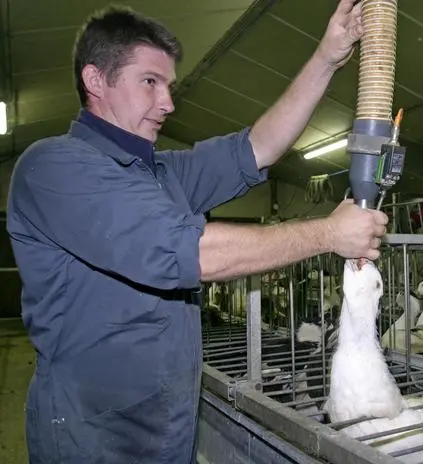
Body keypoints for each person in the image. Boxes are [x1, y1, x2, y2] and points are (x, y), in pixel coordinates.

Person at [5, 1, 388, 463]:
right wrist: (328, 234)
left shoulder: (162, 173)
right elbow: (190, 253)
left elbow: (258, 147)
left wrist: (327, 56)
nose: (167, 102)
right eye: (150, 82)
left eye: (168, 85)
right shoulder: (54, 168)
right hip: (94, 437)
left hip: (168, 428)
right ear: (95, 80)